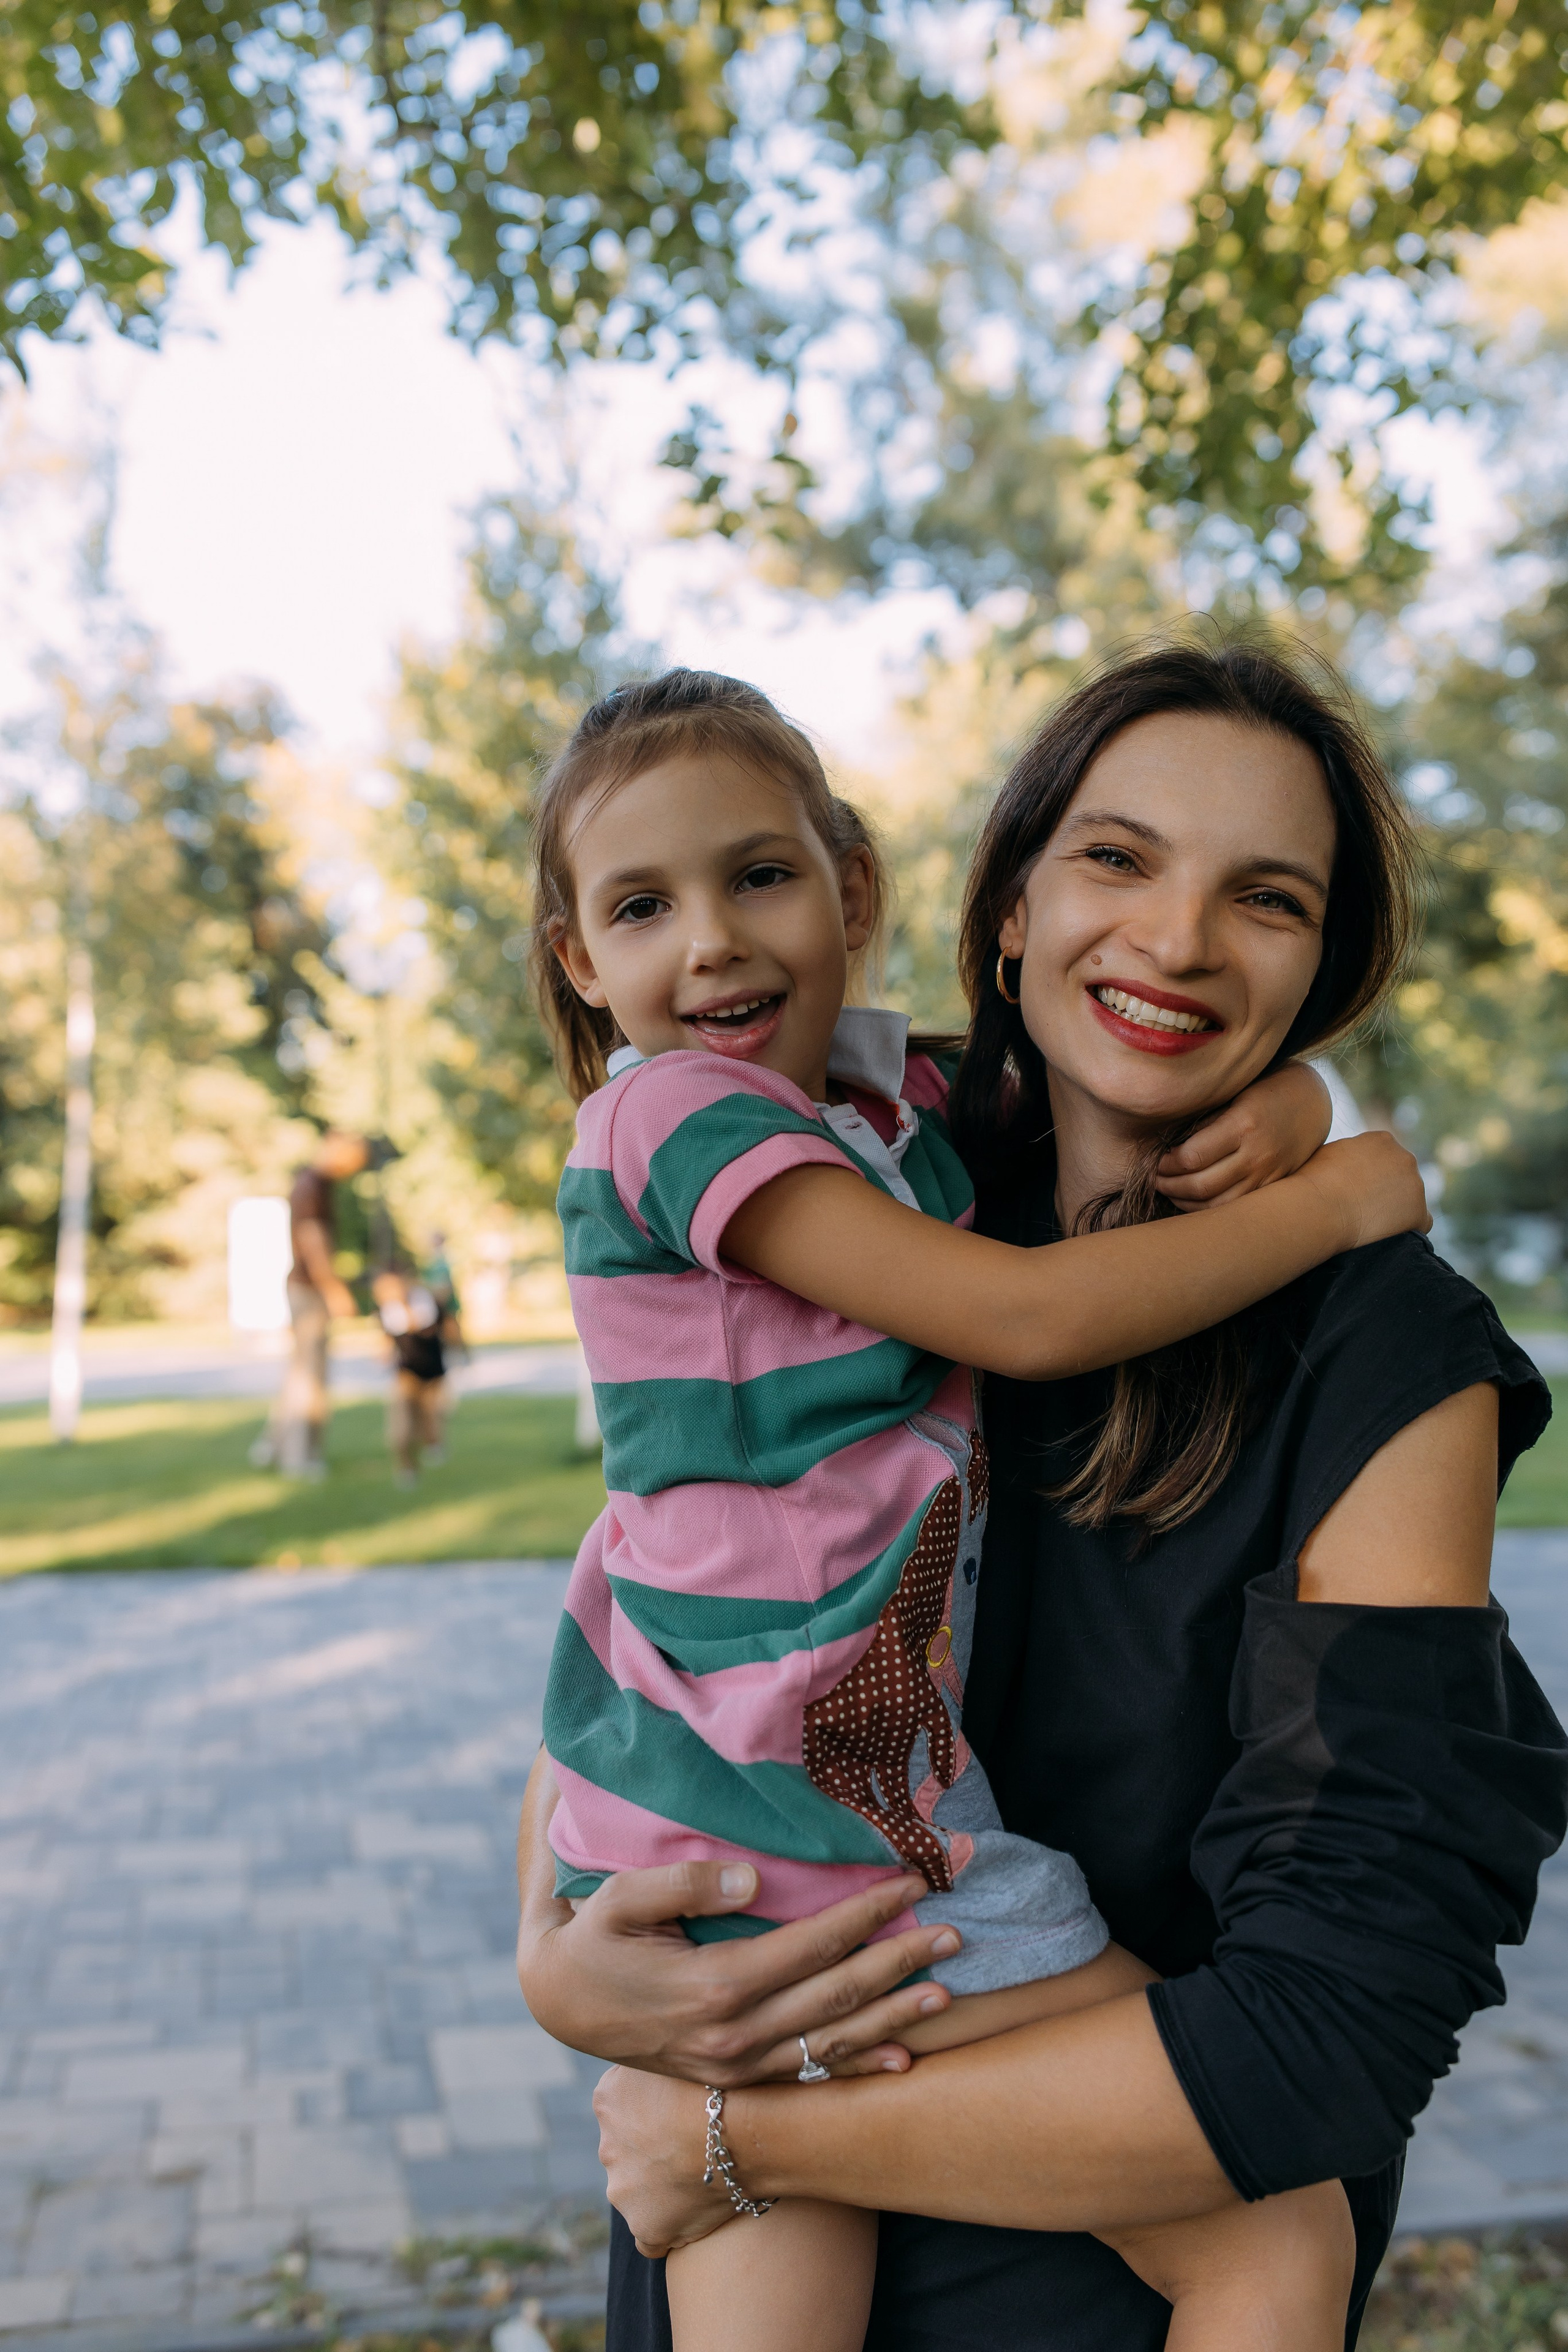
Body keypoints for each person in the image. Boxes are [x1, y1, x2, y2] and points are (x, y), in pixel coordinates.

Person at [516, 639, 1568, 2352]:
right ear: (1009, 906)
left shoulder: (1376, 1349)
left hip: (1037, 2249)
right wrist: (551, 1949)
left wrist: (733, 2132)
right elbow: (652, 1566)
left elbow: (1337, 2019)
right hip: (762, 2020)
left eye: (1268, 900)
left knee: (1272, 2247)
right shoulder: (899, 1203)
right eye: (1117, 857)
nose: (1178, 939)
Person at [252, 1131, 369, 1478]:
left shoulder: (315, 1183)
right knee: (310, 1376)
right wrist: (334, 1289)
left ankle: (272, 1447)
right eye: (355, 1157)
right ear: (335, 1147)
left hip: (302, 1286)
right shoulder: (313, 1185)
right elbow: (313, 1239)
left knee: (298, 1372)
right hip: (309, 1289)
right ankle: (300, 1458)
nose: (355, 1167)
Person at [372, 1265, 450, 1485]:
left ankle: (433, 1445)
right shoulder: (388, 1310)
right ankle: (406, 1468)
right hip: (406, 1372)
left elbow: (423, 1327)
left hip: (432, 1371)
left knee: (432, 1416)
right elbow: (387, 1338)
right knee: (402, 1425)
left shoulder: (423, 1300)